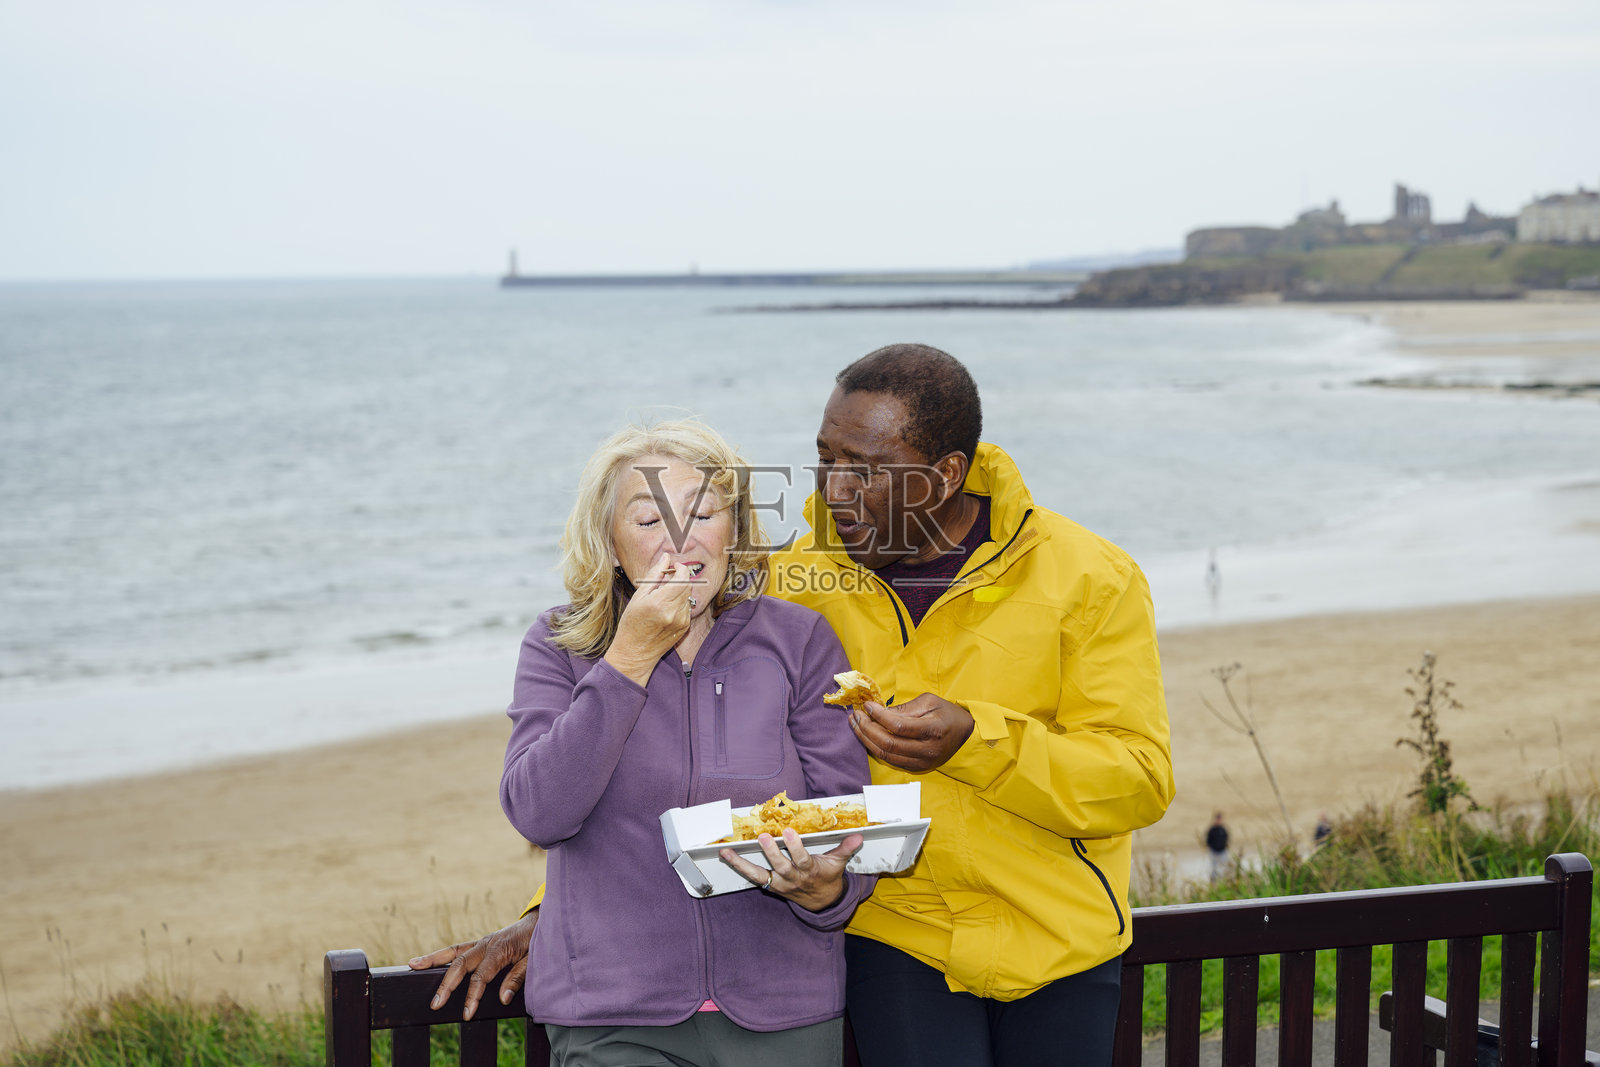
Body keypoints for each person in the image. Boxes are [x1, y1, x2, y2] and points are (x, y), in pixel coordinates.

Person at [413, 345, 1176, 1067]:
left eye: (865, 470)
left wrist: (979, 740)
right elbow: (673, 766)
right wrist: (549, 912)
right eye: (826, 460)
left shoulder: (1090, 577)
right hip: (894, 934)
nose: (834, 491)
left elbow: (1138, 779)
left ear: (944, 474)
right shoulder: (792, 582)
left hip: (1058, 938)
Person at [492, 418, 876, 1065]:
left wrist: (826, 890)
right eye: (648, 520)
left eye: (704, 512)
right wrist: (627, 660)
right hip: (614, 1016)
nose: (680, 538)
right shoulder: (561, 646)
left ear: (736, 531)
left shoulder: (799, 640)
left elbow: (846, 821)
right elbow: (539, 812)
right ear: (610, 544)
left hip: (783, 1006)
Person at [1205, 812, 1230, 881]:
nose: (1219, 821)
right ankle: (1213, 880)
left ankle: (1223, 879)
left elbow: (1227, 839)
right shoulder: (1212, 830)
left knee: (1223, 866)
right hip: (1214, 852)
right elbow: (1208, 840)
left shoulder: (1223, 829)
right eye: (1218, 819)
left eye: (1221, 819)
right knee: (1214, 867)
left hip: (1222, 851)